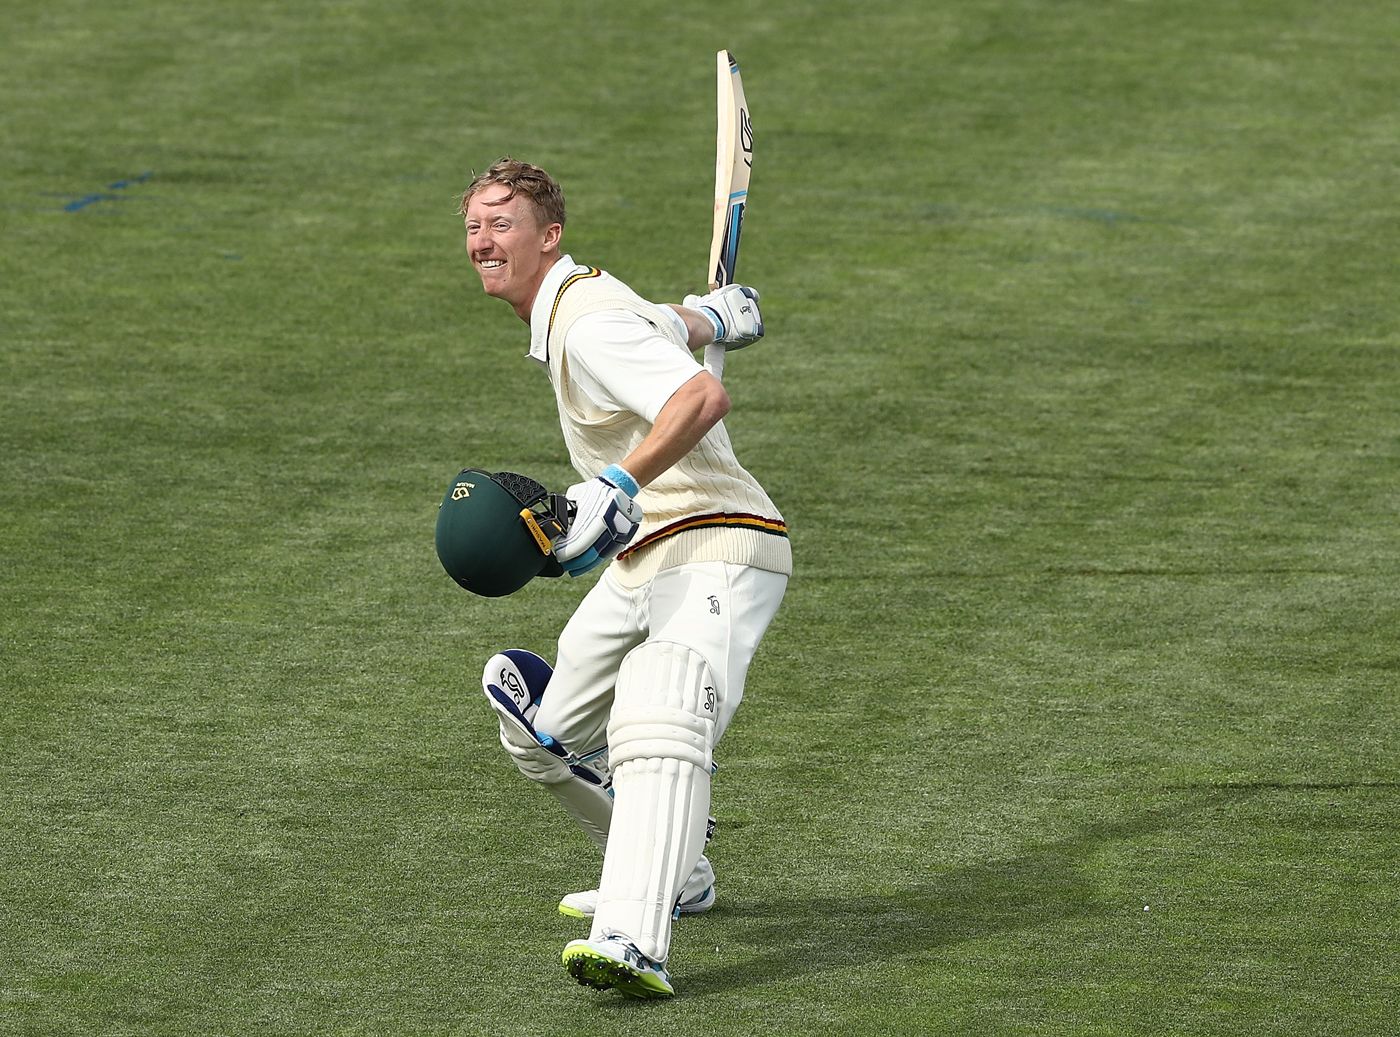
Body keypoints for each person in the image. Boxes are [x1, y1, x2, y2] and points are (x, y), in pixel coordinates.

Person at [459, 157, 791, 998]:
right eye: (473, 225)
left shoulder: (584, 324)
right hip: (645, 556)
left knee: (660, 697)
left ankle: (634, 940)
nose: (483, 240)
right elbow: (659, 325)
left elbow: (699, 401)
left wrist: (619, 483)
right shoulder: (586, 302)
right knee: (539, 729)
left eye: (502, 223)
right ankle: (678, 868)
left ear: (550, 236)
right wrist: (710, 317)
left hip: (715, 536)